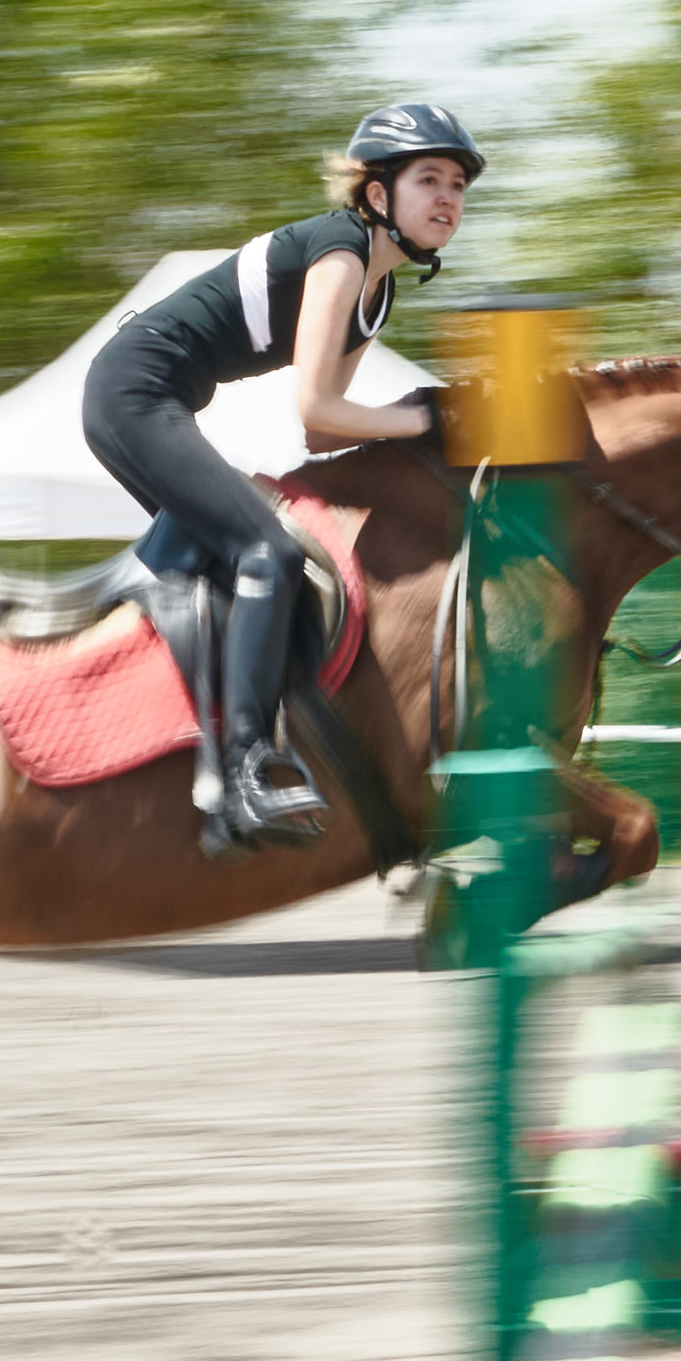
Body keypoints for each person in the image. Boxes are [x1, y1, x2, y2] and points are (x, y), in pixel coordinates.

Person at [83, 102, 483, 857]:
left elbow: (323, 434)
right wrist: (430, 418)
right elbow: (318, 406)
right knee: (267, 551)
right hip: (132, 394)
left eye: (458, 185)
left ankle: (194, 745)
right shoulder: (343, 253)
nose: (448, 199)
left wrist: (418, 416)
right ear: (377, 195)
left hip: (160, 399)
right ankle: (242, 771)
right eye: (429, 179)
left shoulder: (377, 294)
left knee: (238, 566)